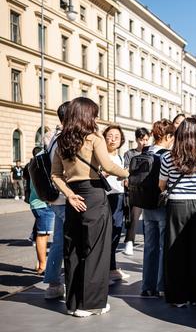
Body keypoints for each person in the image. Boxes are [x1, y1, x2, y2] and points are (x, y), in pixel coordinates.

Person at [51, 97, 129, 317]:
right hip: (94, 196)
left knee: (73, 250)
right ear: (87, 115)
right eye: (94, 113)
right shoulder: (94, 138)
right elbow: (108, 166)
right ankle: (91, 304)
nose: (96, 117)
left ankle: (74, 304)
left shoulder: (61, 141)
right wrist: (127, 173)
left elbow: (55, 175)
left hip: (73, 198)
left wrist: (69, 196)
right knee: (96, 251)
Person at [160, 117, 196, 308]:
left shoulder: (167, 157)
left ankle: (177, 296)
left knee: (175, 250)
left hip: (176, 205)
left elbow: (162, 185)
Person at [141, 119, 175, 298]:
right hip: (162, 204)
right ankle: (162, 286)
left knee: (150, 246)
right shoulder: (166, 155)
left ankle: (147, 286)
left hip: (146, 204)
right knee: (163, 246)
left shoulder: (145, 151)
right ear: (168, 136)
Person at [44, 101, 70, 300]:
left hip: (56, 198)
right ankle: (68, 283)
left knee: (59, 242)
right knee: (69, 242)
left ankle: (53, 283)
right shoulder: (65, 139)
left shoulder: (53, 138)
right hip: (66, 196)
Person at [102, 125, 130, 283]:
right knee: (107, 234)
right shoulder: (101, 156)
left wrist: (124, 178)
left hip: (118, 196)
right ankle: (106, 270)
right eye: (109, 136)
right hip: (106, 196)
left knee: (116, 233)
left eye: (116, 137)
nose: (113, 139)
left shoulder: (120, 157)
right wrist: (107, 171)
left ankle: (112, 268)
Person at [27, 146, 55, 275]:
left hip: (37, 203)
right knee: (43, 235)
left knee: (42, 234)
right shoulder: (42, 166)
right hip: (43, 204)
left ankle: (40, 263)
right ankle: (42, 266)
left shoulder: (33, 164)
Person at [122, 127, 150, 256]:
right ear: (137, 139)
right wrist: (126, 179)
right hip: (135, 189)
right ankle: (129, 241)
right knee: (134, 216)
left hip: (148, 189)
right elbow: (126, 169)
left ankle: (147, 241)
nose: (144, 142)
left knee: (149, 219)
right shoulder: (130, 153)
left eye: (146, 139)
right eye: (141, 139)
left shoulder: (150, 153)